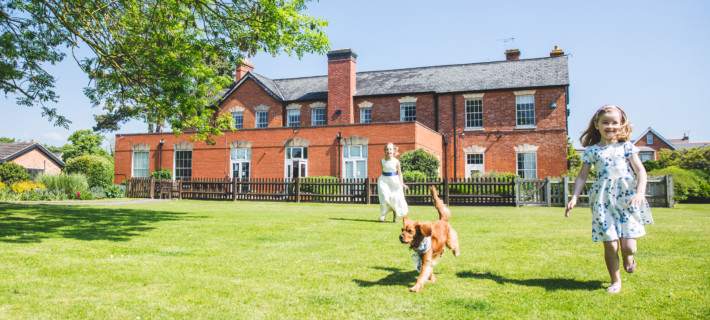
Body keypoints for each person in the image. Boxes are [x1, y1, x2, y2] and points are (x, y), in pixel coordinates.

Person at [565, 105, 654, 294]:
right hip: (603, 201)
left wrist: (640, 192)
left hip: (627, 199)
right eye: (605, 122)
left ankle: (629, 258)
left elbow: (640, 171)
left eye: (615, 122)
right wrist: (574, 197)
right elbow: (582, 176)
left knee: (628, 247)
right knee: (610, 245)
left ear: (621, 125)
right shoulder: (591, 151)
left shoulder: (627, 147)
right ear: (597, 125)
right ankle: (616, 281)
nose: (610, 126)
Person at [378, 143, 409, 222]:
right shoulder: (382, 161)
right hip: (384, 181)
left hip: (394, 181)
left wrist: (401, 183)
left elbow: (399, 173)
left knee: (395, 198)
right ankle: (383, 216)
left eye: (390, 149)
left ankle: (395, 218)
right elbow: (383, 171)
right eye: (387, 149)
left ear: (393, 150)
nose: (389, 151)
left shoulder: (396, 162)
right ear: (385, 151)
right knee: (384, 197)